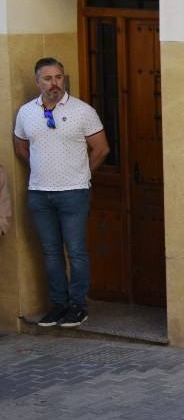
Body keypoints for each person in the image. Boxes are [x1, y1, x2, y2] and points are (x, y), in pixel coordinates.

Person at [12, 57, 109, 328]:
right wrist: (40, 169)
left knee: (76, 250)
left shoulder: (82, 111)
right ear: (37, 82)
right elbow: (21, 147)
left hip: (74, 192)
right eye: (48, 78)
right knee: (50, 251)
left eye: (58, 77)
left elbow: (101, 149)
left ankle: (78, 305)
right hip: (39, 193)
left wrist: (82, 173)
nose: (54, 83)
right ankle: (58, 305)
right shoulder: (26, 113)